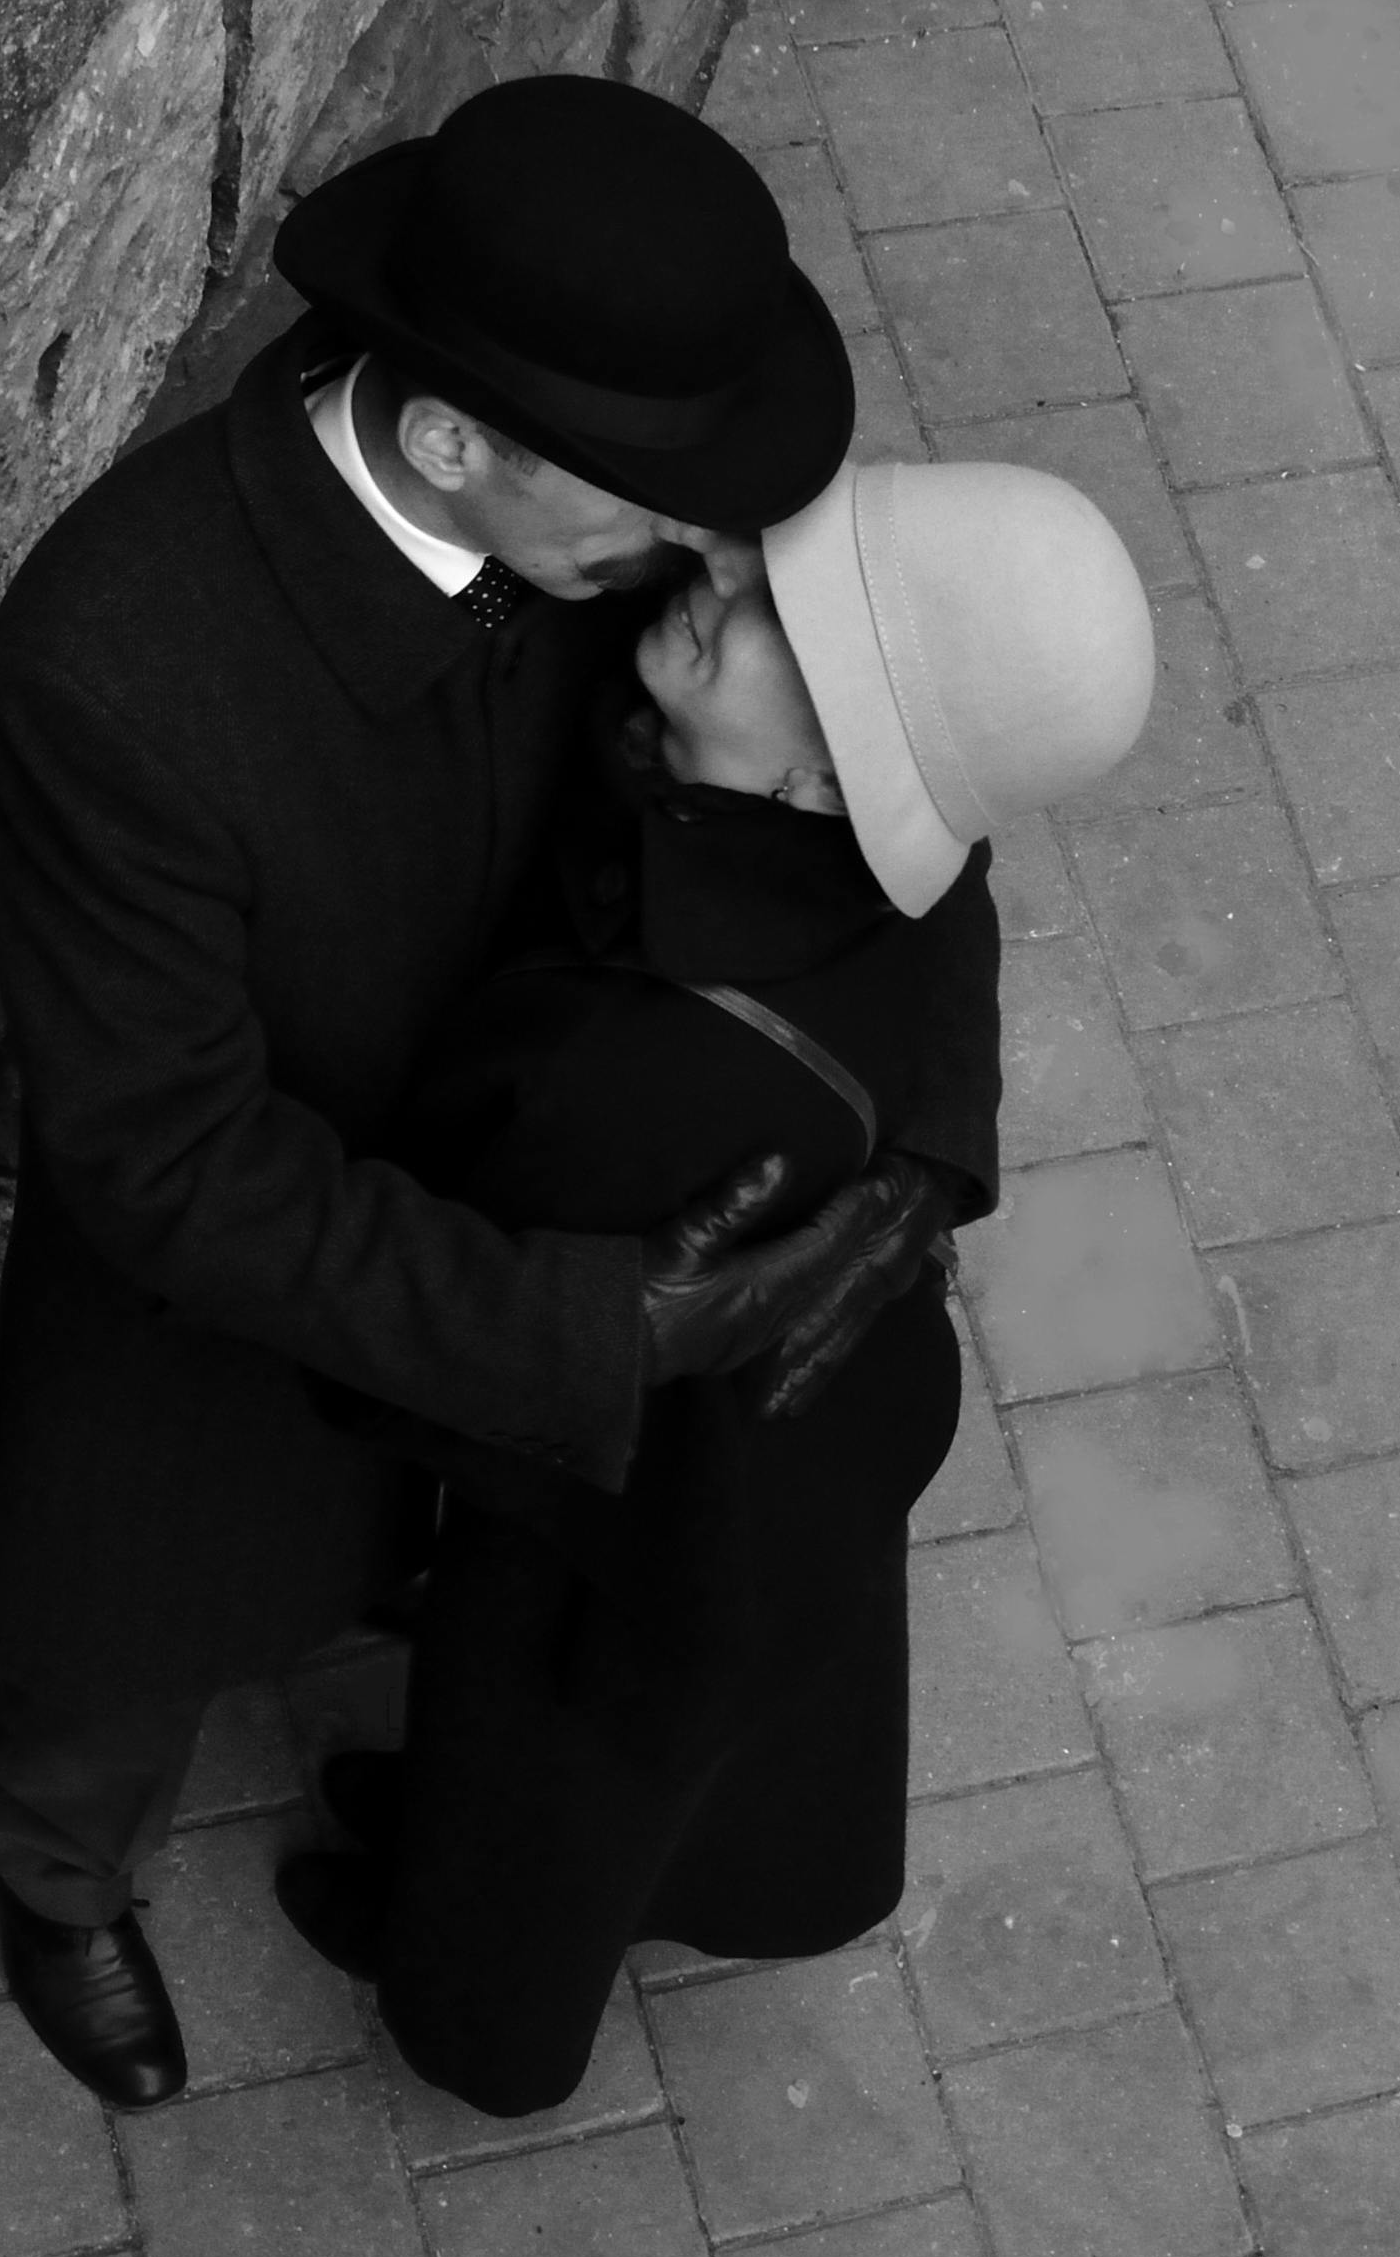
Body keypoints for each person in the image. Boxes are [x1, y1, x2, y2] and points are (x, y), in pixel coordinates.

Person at [0, 75, 968, 2109]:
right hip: (251, 1294)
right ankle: (56, 1870)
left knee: (488, 1598)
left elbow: (889, 782)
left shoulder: (607, 524)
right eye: (647, 507)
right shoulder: (113, 668)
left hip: (535, 1192)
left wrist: (919, 1147)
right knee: (130, 1625)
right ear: (447, 444)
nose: (705, 553)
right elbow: (166, 1165)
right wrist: (584, 1332)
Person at [275, 458, 1157, 2114]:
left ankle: (478, 2008)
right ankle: (518, 1857)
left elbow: (446, 1306)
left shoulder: (652, 1063)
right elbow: (951, 908)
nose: (715, 576)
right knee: (626, 1724)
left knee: (550, 1745)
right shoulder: (844, 853)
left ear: (832, 777)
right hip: (781, 1432)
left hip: (656, 1483)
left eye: (784, 630)